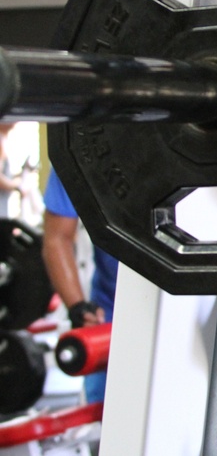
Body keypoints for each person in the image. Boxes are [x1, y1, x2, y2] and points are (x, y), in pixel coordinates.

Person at [40, 170, 118, 403]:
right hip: (110, 310)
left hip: (186, 304)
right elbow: (57, 238)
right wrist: (78, 307)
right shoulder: (82, 144)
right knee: (105, 417)